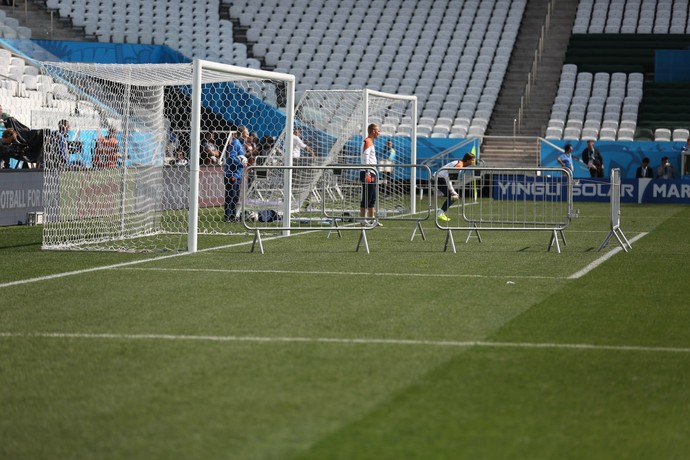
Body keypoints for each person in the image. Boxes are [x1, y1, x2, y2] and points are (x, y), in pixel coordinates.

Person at [435, 152, 476, 222]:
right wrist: (452, 191)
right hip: (439, 179)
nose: (473, 162)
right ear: (467, 160)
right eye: (472, 160)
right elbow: (448, 178)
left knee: (453, 196)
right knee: (453, 196)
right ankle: (439, 214)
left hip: (440, 178)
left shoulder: (460, 164)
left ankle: (440, 213)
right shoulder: (459, 166)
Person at [224, 125, 249, 222]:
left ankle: (233, 216)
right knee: (230, 195)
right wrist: (241, 163)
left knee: (235, 197)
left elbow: (240, 157)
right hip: (232, 174)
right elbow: (231, 157)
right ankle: (227, 216)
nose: (248, 135)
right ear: (242, 133)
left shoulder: (241, 145)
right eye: (246, 133)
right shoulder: (235, 143)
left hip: (238, 174)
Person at [360, 123, 382, 226]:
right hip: (368, 172)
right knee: (367, 196)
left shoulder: (370, 142)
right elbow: (366, 157)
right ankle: (363, 219)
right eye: (378, 131)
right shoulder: (368, 141)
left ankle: (372, 219)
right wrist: (367, 171)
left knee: (372, 196)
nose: (379, 133)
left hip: (372, 172)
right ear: (373, 131)